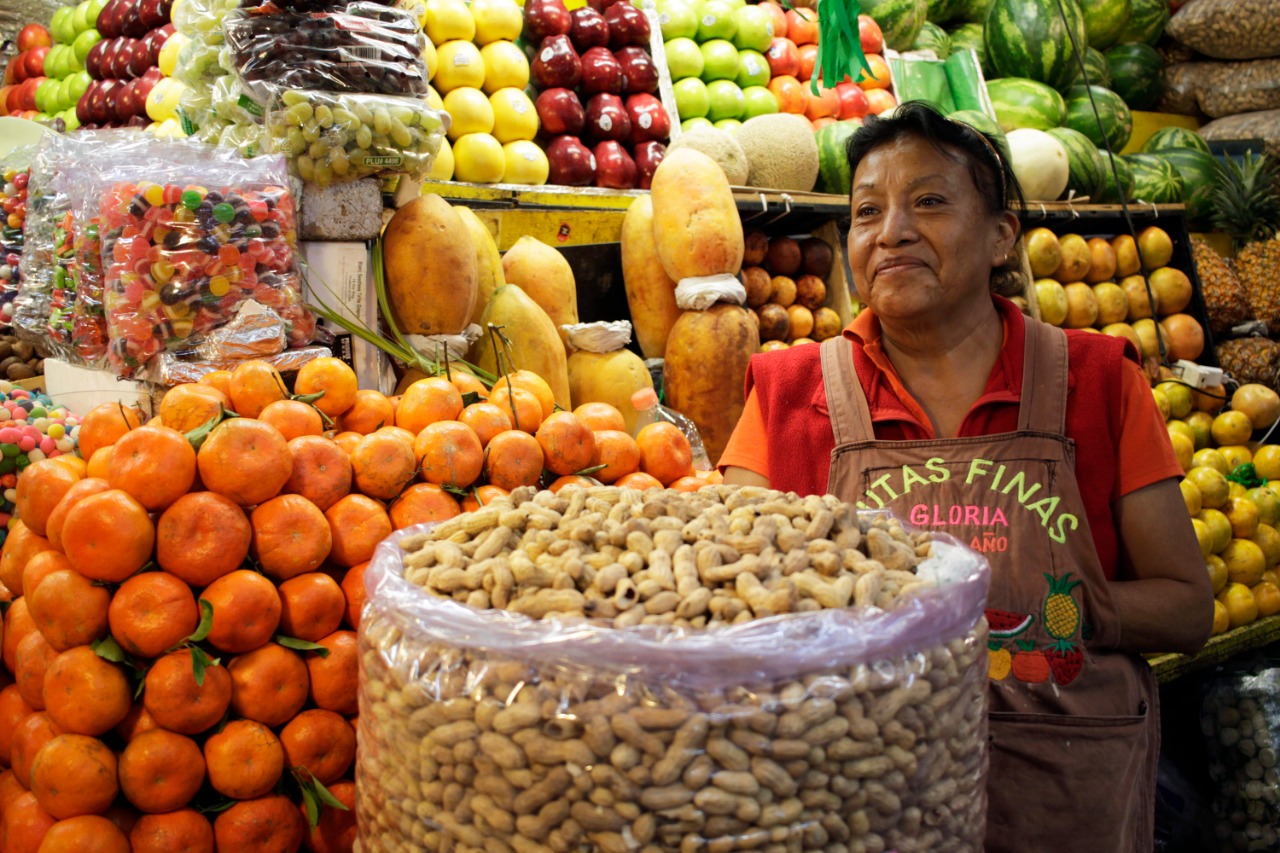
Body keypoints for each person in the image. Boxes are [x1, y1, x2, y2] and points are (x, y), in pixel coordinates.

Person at [720, 101, 1212, 852]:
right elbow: (724, 608)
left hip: (1061, 793)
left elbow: (1185, 607)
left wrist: (1044, 612)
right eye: (866, 212)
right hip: (862, 791)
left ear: (1000, 236)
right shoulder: (786, 393)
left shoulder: (1099, 380)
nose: (892, 232)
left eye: (930, 202)